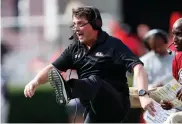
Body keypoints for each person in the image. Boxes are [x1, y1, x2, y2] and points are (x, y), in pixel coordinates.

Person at [24, 6, 155, 123]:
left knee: (95, 80)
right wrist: (35, 81)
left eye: (80, 24)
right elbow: (52, 68)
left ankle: (69, 90)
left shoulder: (113, 45)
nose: (76, 28)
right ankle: (69, 90)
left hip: (116, 104)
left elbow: (138, 67)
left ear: (95, 25)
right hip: (93, 108)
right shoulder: (74, 49)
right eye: (74, 24)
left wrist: (143, 95)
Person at [160, 18, 182, 124]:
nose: (174, 40)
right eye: (173, 34)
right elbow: (176, 87)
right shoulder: (178, 58)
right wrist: (169, 101)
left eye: (179, 34)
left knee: (174, 119)